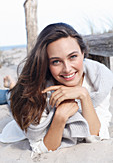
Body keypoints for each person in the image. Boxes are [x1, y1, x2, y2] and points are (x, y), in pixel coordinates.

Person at [0, 23, 113, 155]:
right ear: (46, 63)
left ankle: (12, 86)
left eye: (73, 57)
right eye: (56, 62)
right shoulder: (37, 89)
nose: (67, 69)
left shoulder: (99, 77)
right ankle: (12, 88)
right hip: (20, 97)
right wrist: (60, 117)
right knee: (12, 97)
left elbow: (97, 135)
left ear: (83, 53)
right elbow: (40, 147)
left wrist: (84, 95)